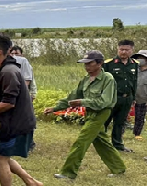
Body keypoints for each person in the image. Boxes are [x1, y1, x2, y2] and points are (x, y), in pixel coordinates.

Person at [44, 50, 126, 179]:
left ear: (100, 64)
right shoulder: (86, 79)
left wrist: (82, 102)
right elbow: (72, 97)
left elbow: (105, 101)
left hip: (101, 113)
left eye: (90, 63)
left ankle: (68, 172)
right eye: (85, 64)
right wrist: (55, 108)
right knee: (102, 142)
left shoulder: (107, 78)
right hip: (90, 113)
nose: (87, 66)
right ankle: (118, 168)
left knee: (81, 141)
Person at [0, 35, 43, 186]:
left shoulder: (9, 72)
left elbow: (9, 102)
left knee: (0, 159)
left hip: (17, 123)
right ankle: (31, 182)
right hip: (9, 121)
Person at [104, 40, 138, 152]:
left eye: (126, 50)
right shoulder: (109, 64)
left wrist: (133, 98)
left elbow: (134, 82)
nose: (123, 52)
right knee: (105, 121)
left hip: (126, 98)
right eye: (121, 49)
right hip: (112, 98)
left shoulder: (134, 64)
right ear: (117, 49)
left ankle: (118, 145)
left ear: (132, 50)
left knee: (120, 122)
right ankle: (100, 143)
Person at [9, 45, 37, 150]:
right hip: (15, 95)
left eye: (17, 54)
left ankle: (29, 144)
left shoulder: (25, 63)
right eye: (12, 54)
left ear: (22, 55)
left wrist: (23, 95)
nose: (14, 56)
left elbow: (28, 81)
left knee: (26, 120)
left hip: (25, 95)